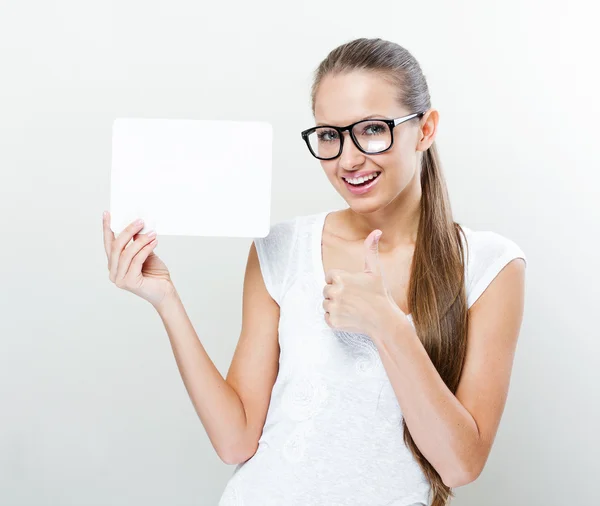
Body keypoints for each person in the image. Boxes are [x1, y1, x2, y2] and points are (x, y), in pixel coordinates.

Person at [102, 37, 527, 506]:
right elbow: (236, 440)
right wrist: (167, 301)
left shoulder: (491, 265)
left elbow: (461, 465)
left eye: (371, 129)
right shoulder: (283, 247)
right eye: (329, 135)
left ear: (425, 129)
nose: (348, 159)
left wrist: (386, 325)